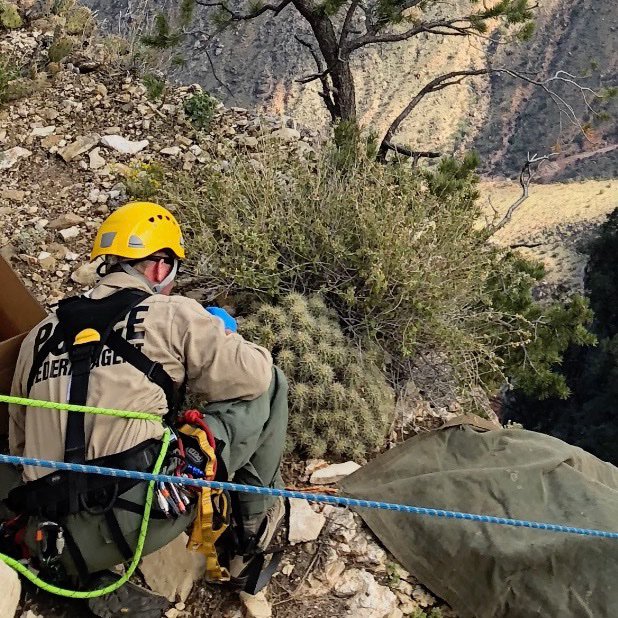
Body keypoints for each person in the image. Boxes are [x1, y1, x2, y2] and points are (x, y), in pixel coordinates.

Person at [2, 201, 288, 610]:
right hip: (139, 521)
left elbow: (18, 444)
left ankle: (88, 572)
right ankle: (246, 543)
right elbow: (255, 376)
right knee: (271, 385)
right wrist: (219, 333)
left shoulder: (39, 336)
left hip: (50, 536)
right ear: (159, 266)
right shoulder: (169, 314)